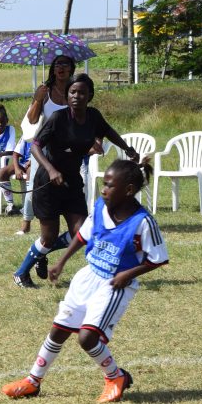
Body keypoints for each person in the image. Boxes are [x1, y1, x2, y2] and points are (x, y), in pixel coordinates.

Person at [1, 159, 167, 403]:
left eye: (109, 185)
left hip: (114, 285)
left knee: (87, 338)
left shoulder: (143, 222)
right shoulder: (100, 207)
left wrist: (127, 274)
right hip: (88, 277)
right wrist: (62, 262)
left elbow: (158, 259)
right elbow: (82, 235)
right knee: (58, 330)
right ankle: (33, 381)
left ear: (128, 190)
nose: (103, 189)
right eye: (103, 184)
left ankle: (115, 376)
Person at [12, 73, 137, 289]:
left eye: (81, 92)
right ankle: (21, 273)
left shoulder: (93, 116)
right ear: (67, 95)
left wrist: (127, 148)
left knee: (81, 233)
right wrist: (51, 170)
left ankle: (42, 253)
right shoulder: (58, 118)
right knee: (48, 237)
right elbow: (35, 145)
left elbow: (108, 132)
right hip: (48, 183)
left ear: (89, 96)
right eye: (72, 92)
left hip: (71, 182)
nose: (76, 96)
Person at [18, 55, 75, 235]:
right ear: (53, 69)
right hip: (42, 150)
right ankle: (25, 223)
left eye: (65, 64)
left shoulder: (75, 91)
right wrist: (37, 99)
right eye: (58, 64)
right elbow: (32, 119)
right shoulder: (45, 91)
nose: (61, 67)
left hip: (70, 150)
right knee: (35, 186)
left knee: (72, 187)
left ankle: (74, 224)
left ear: (71, 69)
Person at [0, 138, 32, 216]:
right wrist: (17, 169)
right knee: (2, 172)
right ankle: (11, 205)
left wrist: (32, 161)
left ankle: (28, 206)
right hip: (23, 164)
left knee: (30, 171)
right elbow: (15, 154)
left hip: (38, 163)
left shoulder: (44, 132)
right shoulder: (26, 135)